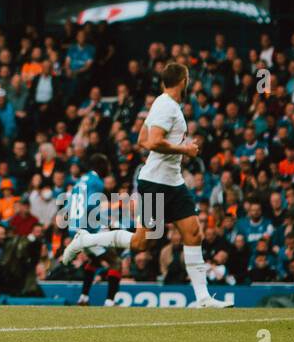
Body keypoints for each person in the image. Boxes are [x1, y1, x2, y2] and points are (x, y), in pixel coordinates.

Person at [69, 62, 229, 309]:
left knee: (193, 233)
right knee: (141, 242)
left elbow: (142, 139)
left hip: (173, 181)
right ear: (183, 81)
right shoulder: (167, 105)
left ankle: (203, 298)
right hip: (155, 182)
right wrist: (185, 149)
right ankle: (86, 241)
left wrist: (175, 151)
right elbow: (153, 141)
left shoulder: (163, 103)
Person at [60, 154, 123, 306]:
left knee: (95, 260)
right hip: (87, 230)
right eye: (106, 165)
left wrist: (71, 230)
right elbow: (89, 206)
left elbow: (68, 208)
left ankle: (84, 297)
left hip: (75, 229)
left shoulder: (79, 182)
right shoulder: (97, 182)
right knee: (115, 261)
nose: (108, 168)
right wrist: (103, 221)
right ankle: (110, 301)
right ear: (101, 167)